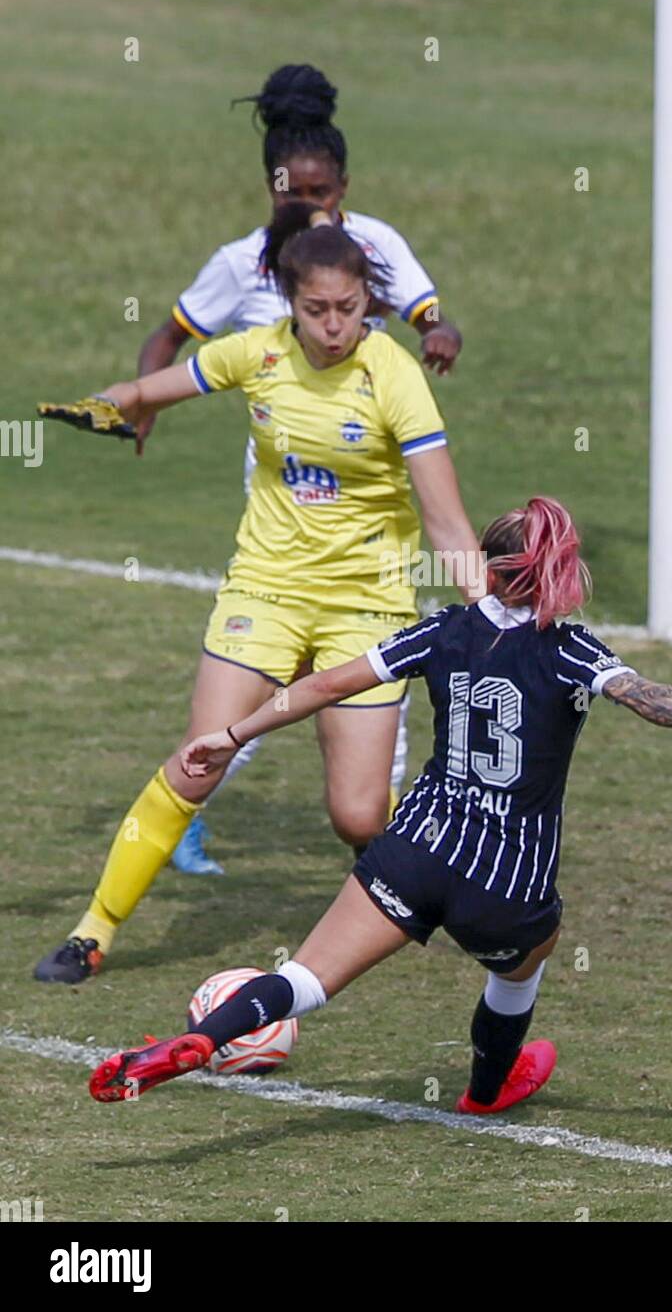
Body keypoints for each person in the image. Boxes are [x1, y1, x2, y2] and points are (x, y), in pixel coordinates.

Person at [87, 498, 672, 1114]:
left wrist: (230, 734)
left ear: (491, 566)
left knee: (308, 979)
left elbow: (323, 686)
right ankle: (484, 1089)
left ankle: (200, 1041)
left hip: (413, 850)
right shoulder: (572, 651)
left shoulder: (444, 629)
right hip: (504, 883)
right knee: (526, 961)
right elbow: (657, 704)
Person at [35, 216, 484, 985]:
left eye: (350, 307)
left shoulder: (393, 372)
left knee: (357, 816)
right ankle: (94, 931)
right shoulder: (259, 351)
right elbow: (155, 385)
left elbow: (443, 518)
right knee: (198, 760)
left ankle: (407, 891)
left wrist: (489, 609)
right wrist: (113, 401)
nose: (336, 324)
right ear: (289, 300)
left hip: (366, 607)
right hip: (265, 591)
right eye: (318, 310)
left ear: (366, 300)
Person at [140, 62, 464, 872]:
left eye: (320, 194)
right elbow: (172, 339)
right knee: (249, 683)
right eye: (293, 194)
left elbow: (433, 313)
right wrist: (137, 400)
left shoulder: (375, 249)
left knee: (357, 730)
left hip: (368, 527)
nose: (307, 207)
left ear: (343, 187)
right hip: (280, 524)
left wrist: (437, 335)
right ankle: (184, 813)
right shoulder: (244, 260)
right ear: (269, 189)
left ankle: (390, 843)